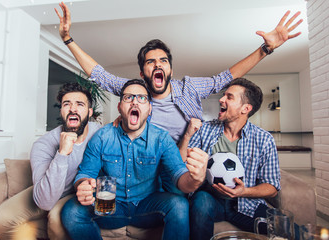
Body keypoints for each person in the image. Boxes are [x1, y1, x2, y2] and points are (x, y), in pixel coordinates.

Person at [54, 2, 303, 143]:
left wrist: (265, 49)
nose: (158, 65)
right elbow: (99, 74)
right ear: (143, 73)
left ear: (170, 69)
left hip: (186, 162)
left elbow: (226, 77)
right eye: (151, 62)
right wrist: (67, 39)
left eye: (163, 60)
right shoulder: (136, 93)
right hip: (148, 162)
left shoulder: (190, 87)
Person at [60, 79, 208, 240]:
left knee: (179, 205)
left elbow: (180, 177)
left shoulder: (161, 138)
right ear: (119, 107)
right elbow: (86, 173)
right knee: (71, 211)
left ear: (150, 109)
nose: (135, 102)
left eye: (142, 98)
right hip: (111, 207)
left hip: (148, 207)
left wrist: (196, 179)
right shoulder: (102, 137)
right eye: (128, 97)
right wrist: (82, 185)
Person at [0, 83, 101, 240]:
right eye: (66, 104)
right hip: (48, 189)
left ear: (89, 112)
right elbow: (45, 201)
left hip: (76, 192)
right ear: (61, 111)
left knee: (57, 218)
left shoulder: (101, 133)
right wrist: (62, 153)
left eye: (80, 104)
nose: (73, 109)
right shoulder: (44, 144)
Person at [179, 78, 281, 240]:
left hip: (247, 204)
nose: (221, 99)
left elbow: (272, 186)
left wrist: (244, 191)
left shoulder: (264, 139)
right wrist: (187, 135)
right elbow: (180, 164)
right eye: (223, 95)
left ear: (245, 108)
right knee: (201, 200)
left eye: (229, 97)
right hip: (210, 200)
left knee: (287, 228)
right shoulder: (205, 130)